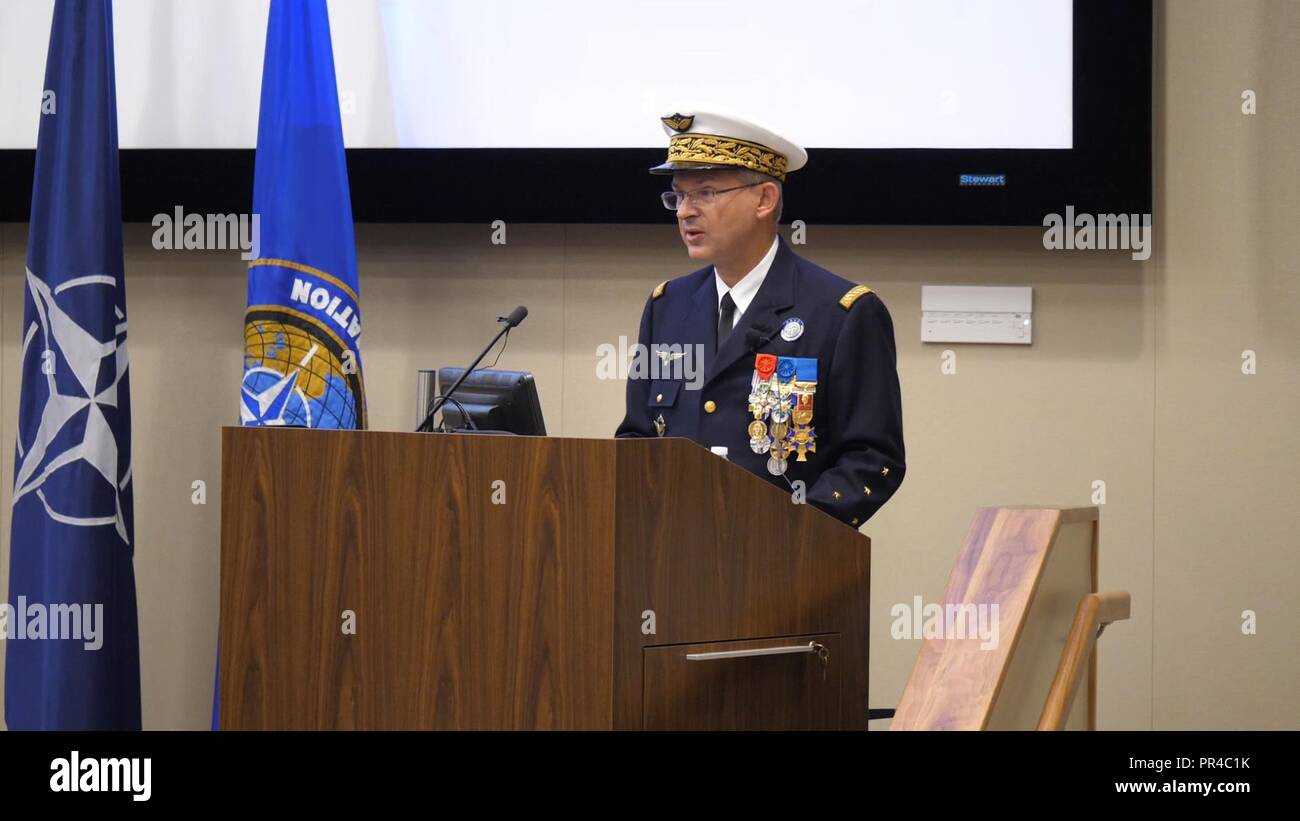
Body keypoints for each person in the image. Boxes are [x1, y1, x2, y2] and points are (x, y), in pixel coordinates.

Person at [615, 108, 906, 528]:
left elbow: (872, 460)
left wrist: (788, 532)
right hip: (670, 558)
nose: (684, 212)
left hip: (785, 567)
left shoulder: (842, 312)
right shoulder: (668, 306)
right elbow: (637, 438)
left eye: (706, 193)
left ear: (765, 200)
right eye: (678, 196)